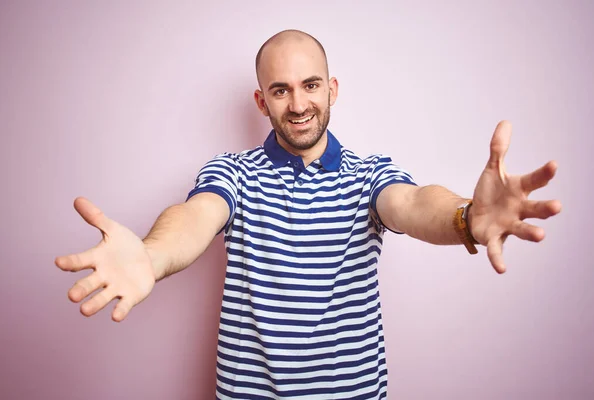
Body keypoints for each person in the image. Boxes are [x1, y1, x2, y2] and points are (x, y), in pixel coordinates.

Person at [55, 29, 561, 399]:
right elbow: (195, 215)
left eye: (311, 85)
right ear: (262, 101)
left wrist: (467, 217)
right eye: (280, 90)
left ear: (332, 90)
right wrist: (151, 254)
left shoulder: (370, 174)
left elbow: (411, 204)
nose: (298, 103)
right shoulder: (233, 173)